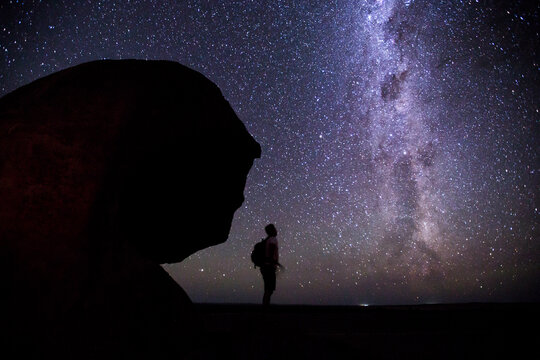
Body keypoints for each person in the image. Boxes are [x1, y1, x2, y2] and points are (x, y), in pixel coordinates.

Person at [260, 223, 279, 306]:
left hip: (265, 266)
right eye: (274, 228)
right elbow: (271, 252)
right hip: (269, 267)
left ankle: (265, 307)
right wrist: (273, 263)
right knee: (269, 289)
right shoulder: (273, 239)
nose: (276, 230)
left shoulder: (268, 240)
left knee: (268, 289)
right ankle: (265, 309)